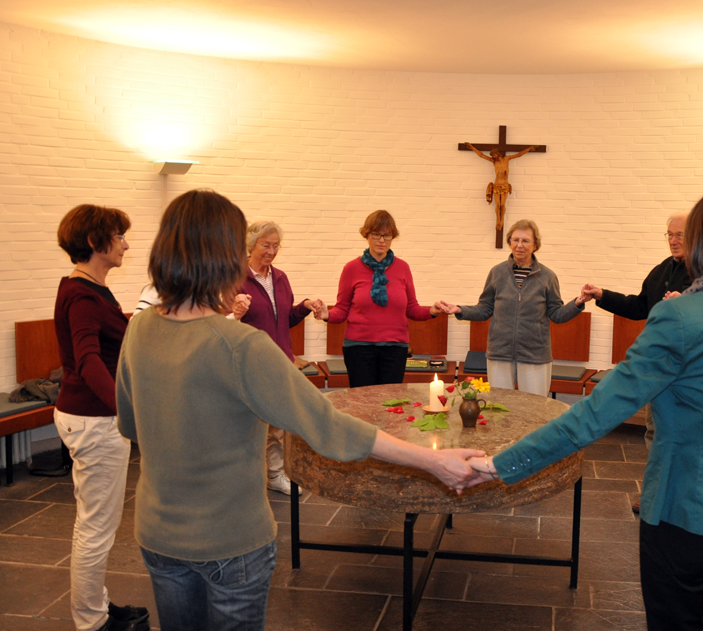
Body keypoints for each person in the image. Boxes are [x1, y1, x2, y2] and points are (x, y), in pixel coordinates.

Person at [116, 189, 484, 631]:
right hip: (229, 540)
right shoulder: (239, 345)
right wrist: (434, 460)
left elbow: (131, 423)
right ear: (226, 255)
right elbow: (327, 426)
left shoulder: (138, 329)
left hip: (157, 534)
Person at [467, 186, 703, 631]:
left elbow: (595, 416)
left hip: (685, 511)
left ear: (701, 243)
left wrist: (500, 464)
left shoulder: (680, 317)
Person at [54, 205, 149, 631]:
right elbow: (89, 361)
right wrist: (125, 410)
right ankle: (92, 621)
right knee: (96, 527)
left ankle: (97, 606)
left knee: (98, 523)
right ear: (96, 242)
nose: (126, 244)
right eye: (119, 236)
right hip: (93, 420)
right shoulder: (81, 294)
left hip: (89, 417)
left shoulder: (91, 289)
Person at [578, 211, 693, 513]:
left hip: (689, 372)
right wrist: (602, 295)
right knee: (655, 431)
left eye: (680, 234)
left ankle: (678, 496)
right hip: (659, 366)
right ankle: (657, 491)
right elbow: (638, 306)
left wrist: (688, 302)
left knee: (683, 435)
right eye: (669, 234)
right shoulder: (661, 271)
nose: (673, 240)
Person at [439, 219, 584, 397]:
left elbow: (556, 314)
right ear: (509, 242)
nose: (519, 245)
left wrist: (577, 303)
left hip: (534, 354)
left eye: (525, 241)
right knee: (500, 408)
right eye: (515, 240)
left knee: (534, 410)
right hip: (500, 352)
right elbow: (485, 309)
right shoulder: (497, 273)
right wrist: (460, 310)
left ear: (535, 244)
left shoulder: (547, 276)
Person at [235, 221, 325, 494]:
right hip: (250, 363)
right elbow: (224, 323)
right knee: (249, 426)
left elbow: (284, 320)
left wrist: (304, 307)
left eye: (276, 246)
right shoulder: (234, 278)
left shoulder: (280, 278)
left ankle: (274, 475)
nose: (272, 251)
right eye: (266, 245)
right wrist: (236, 312)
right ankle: (243, 480)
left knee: (276, 426)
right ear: (251, 245)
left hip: (281, 360)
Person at [318, 210, 442, 388]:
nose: (382, 240)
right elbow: (342, 310)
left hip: (395, 349)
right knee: (362, 404)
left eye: (387, 235)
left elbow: (412, 308)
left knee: (390, 404)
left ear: (393, 237)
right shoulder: (351, 268)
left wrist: (432, 311)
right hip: (358, 348)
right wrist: (327, 315)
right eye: (376, 234)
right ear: (367, 235)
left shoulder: (403, 268)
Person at [464, 143, 536, 237]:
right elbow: (481, 155)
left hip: (505, 185)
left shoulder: (507, 159)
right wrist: (472, 147)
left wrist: (529, 148)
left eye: (494, 155)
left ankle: (502, 219)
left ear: (498, 153)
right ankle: (498, 220)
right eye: (492, 156)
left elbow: (519, 154)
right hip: (497, 185)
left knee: (502, 205)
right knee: (498, 205)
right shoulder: (494, 161)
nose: (493, 156)